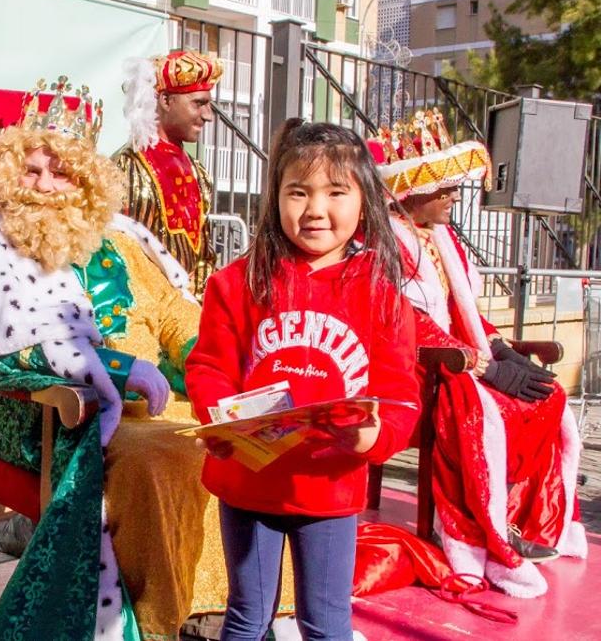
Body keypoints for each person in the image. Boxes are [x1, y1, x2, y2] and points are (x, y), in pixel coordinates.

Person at [0, 77, 285, 640]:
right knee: (160, 459)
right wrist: (109, 369)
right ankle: (159, 621)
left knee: (242, 436)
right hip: (48, 415)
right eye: (31, 171)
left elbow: (171, 314)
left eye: (58, 172)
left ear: (84, 177)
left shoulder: (123, 239)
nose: (43, 185)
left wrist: (208, 364)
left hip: (153, 402)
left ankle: (240, 609)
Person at [185, 120, 420, 640]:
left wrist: (375, 437)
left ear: (364, 201)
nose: (315, 209)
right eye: (299, 192)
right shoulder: (237, 283)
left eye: (336, 192)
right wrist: (219, 420)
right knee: (247, 617)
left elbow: (401, 395)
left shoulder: (384, 300)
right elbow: (208, 367)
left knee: (326, 622)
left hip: (330, 489)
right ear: (276, 198)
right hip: (248, 484)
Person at [373, 113, 586, 598]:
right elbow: (403, 323)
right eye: (443, 188)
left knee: (548, 398)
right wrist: (479, 363)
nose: (454, 196)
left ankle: (522, 520)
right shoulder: (385, 245)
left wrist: (502, 350)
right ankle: (481, 534)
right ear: (411, 194)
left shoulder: (448, 243)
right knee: (474, 411)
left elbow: (465, 313)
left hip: (461, 358)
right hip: (416, 370)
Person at [114, 50, 223, 297]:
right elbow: (123, 256)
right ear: (165, 100)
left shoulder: (199, 172)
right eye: (199, 103)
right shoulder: (130, 167)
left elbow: (204, 254)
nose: (208, 115)